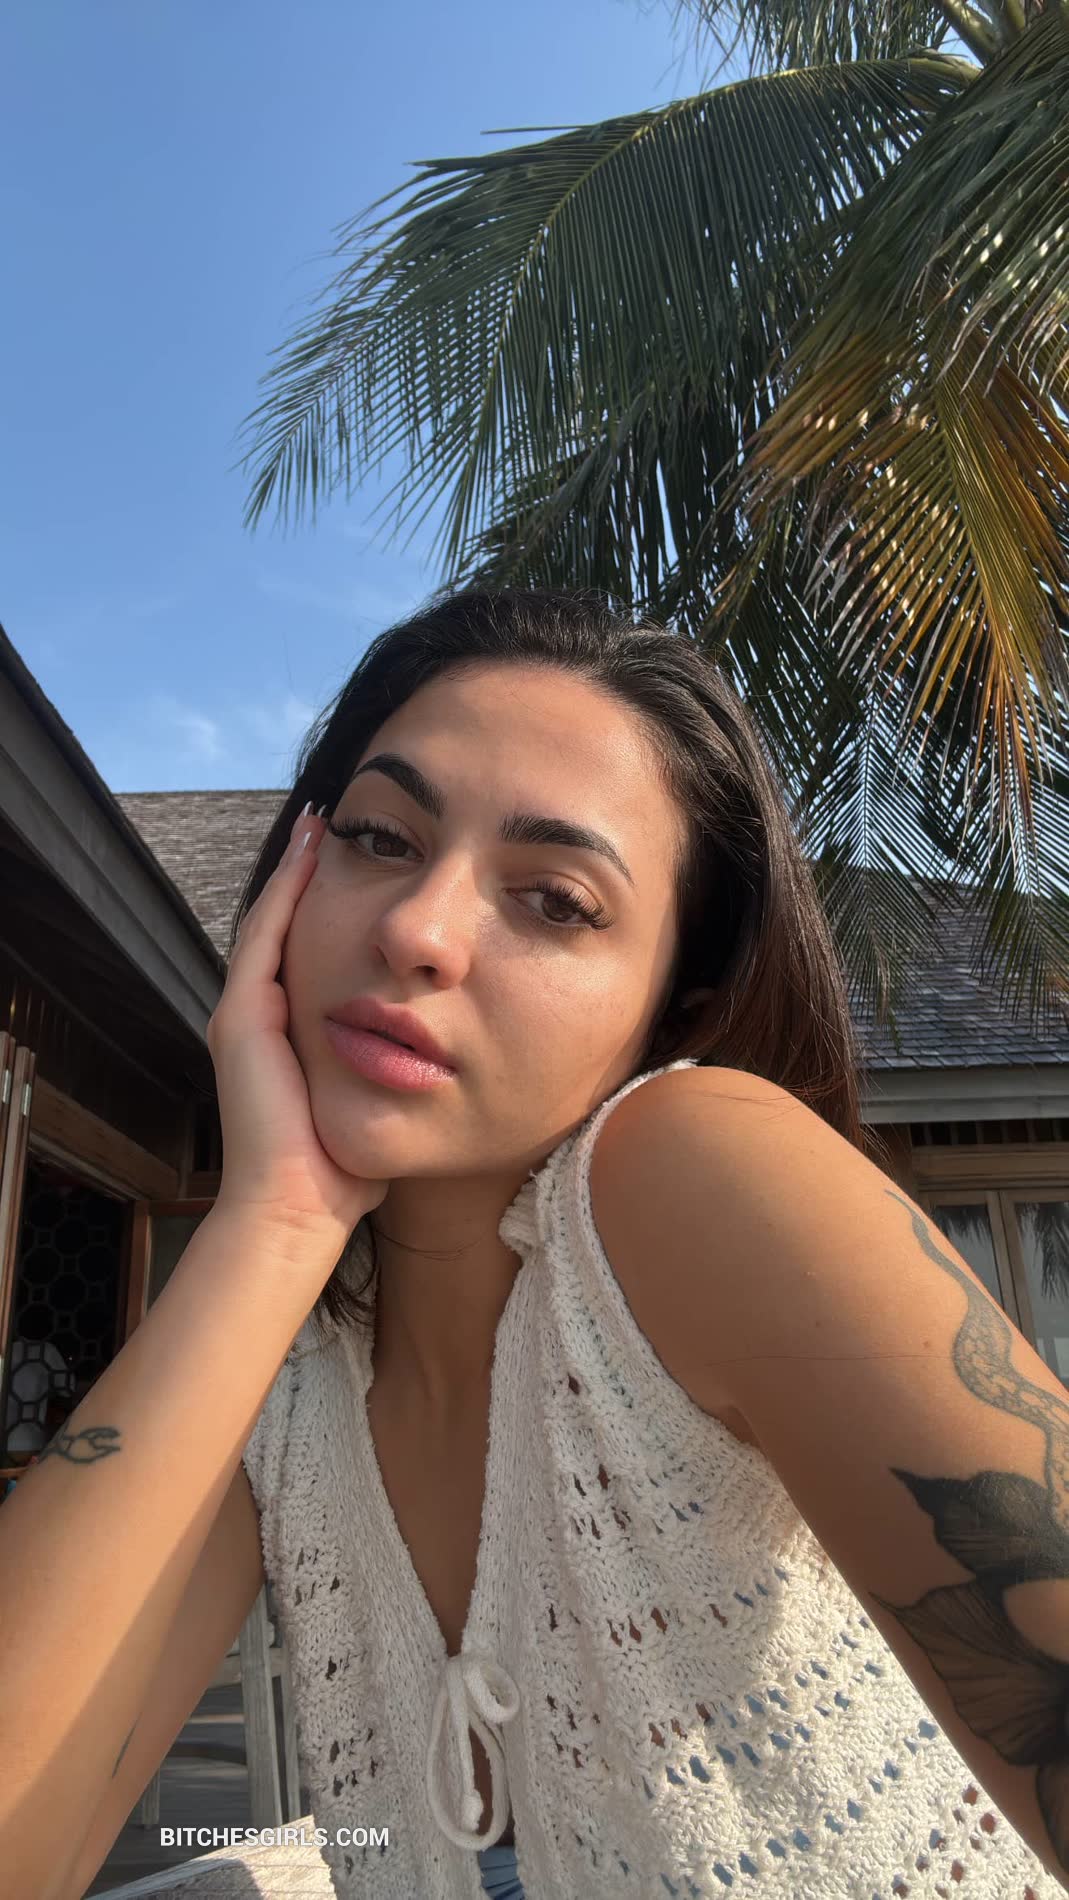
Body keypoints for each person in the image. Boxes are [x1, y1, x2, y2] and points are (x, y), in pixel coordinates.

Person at [0, 587, 1064, 1900]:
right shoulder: (282, 1387)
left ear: (675, 1001)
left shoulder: (696, 1174)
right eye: (379, 838)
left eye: (555, 901)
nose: (416, 929)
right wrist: (271, 1225)